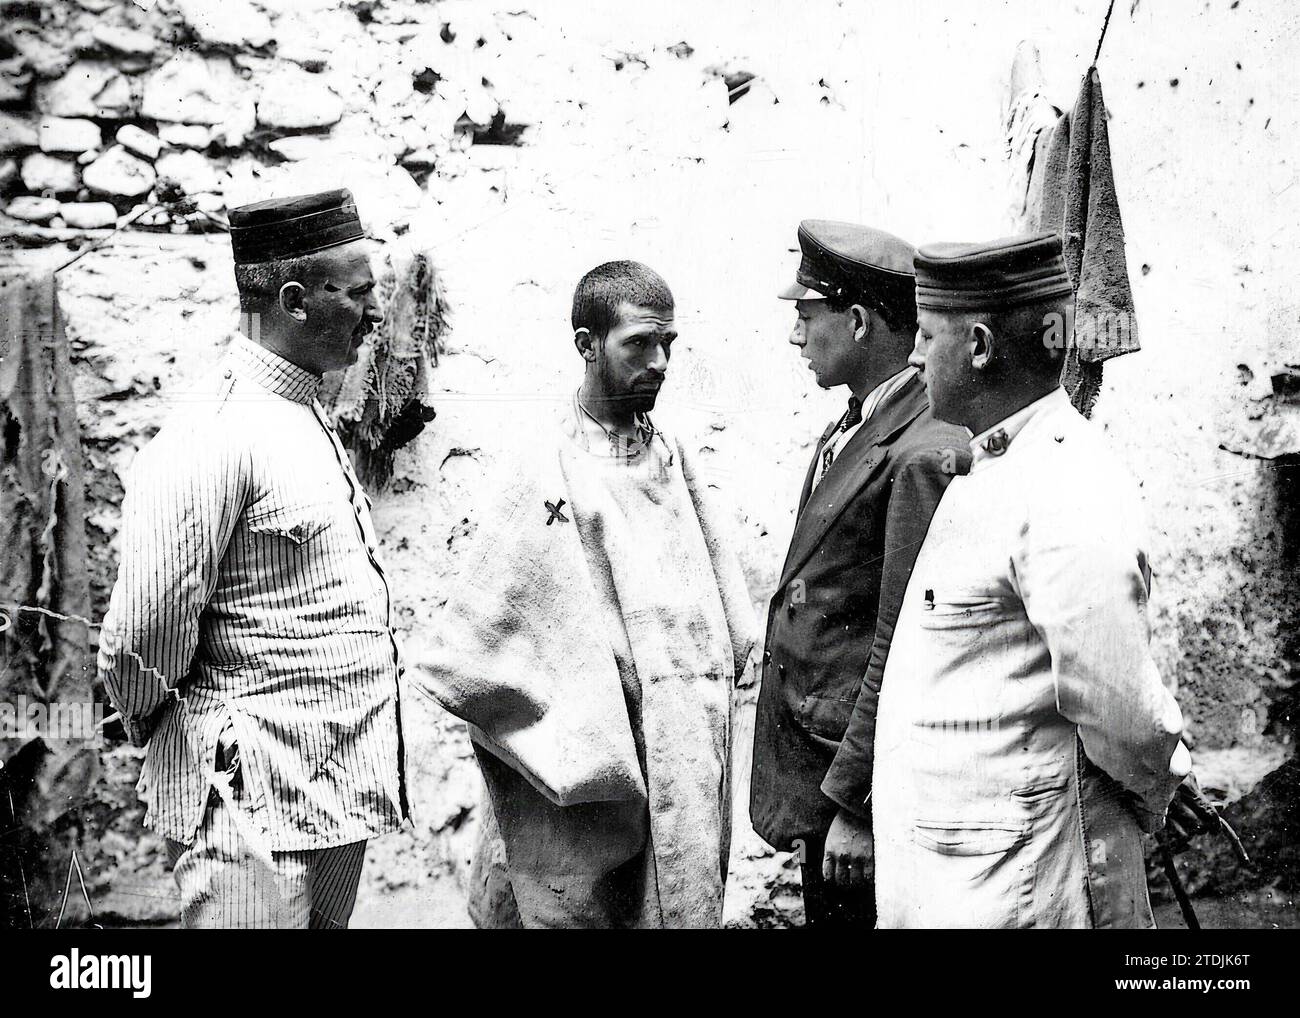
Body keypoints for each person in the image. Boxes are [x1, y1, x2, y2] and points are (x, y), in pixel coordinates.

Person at [412, 260, 756, 928]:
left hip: (681, 747)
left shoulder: (674, 456)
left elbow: (724, 617)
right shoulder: (546, 462)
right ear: (586, 344)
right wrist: (586, 713)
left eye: (669, 345)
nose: (658, 362)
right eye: (638, 344)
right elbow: (494, 634)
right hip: (588, 758)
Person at [97, 189, 408, 929]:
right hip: (249, 794)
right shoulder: (214, 432)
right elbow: (143, 635)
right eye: (359, 292)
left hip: (332, 793)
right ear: (295, 301)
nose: (375, 313)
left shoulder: (304, 416)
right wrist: (169, 730)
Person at [872, 231, 1189, 927]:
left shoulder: (1063, 482)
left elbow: (1120, 706)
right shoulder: (996, 465)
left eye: (927, 336)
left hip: (1020, 887)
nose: (914, 356)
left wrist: (1159, 786)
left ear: (980, 347)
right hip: (965, 873)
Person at [750, 221, 970, 927]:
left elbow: (911, 642)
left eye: (805, 315)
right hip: (825, 763)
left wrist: (858, 807)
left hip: (864, 789)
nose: (795, 336)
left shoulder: (921, 448)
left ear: (856, 320)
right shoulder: (859, 423)